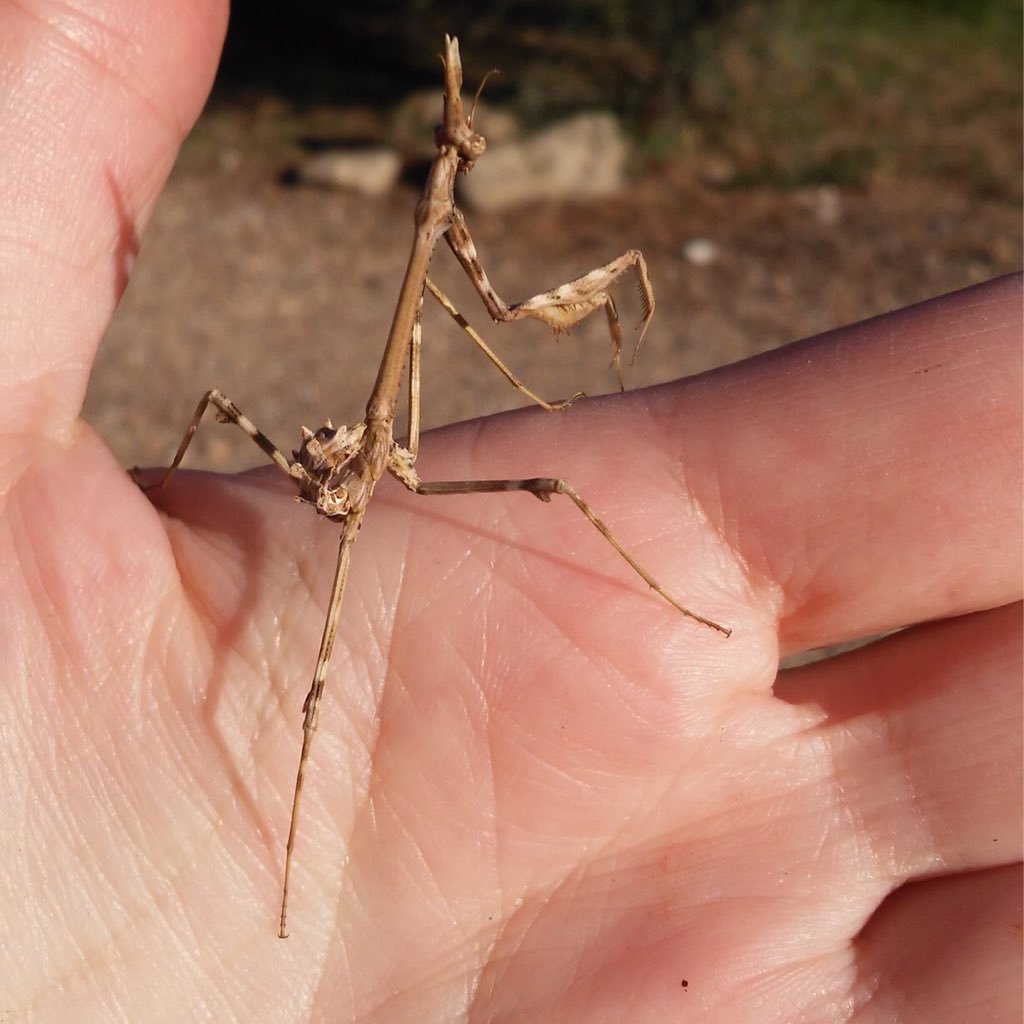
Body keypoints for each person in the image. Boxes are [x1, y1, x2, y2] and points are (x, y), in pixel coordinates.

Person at [2, 2, 1020, 1019]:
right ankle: (283, 858)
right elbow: (483, 312)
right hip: (351, 494)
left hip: (369, 453)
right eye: (465, 146)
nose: (469, 150)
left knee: (469, 368)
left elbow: (468, 310)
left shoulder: (437, 230)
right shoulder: (430, 232)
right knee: (358, 648)